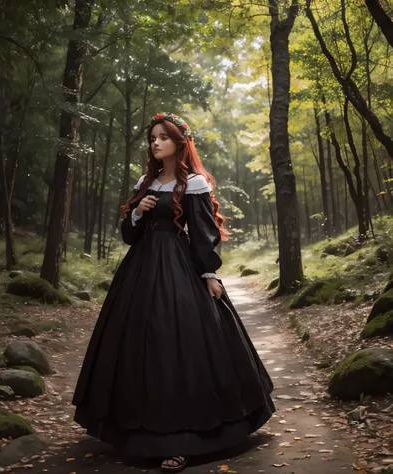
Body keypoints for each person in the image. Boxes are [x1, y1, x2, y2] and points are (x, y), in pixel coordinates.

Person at [72, 113, 275, 472]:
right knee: (138, 345)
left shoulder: (193, 183)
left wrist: (210, 274)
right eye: (152, 138)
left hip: (180, 268)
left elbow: (203, 231)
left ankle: (182, 441)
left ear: (179, 142)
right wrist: (137, 212)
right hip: (140, 269)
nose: (155, 143)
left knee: (179, 346)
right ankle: (136, 433)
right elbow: (129, 235)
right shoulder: (146, 181)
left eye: (162, 137)